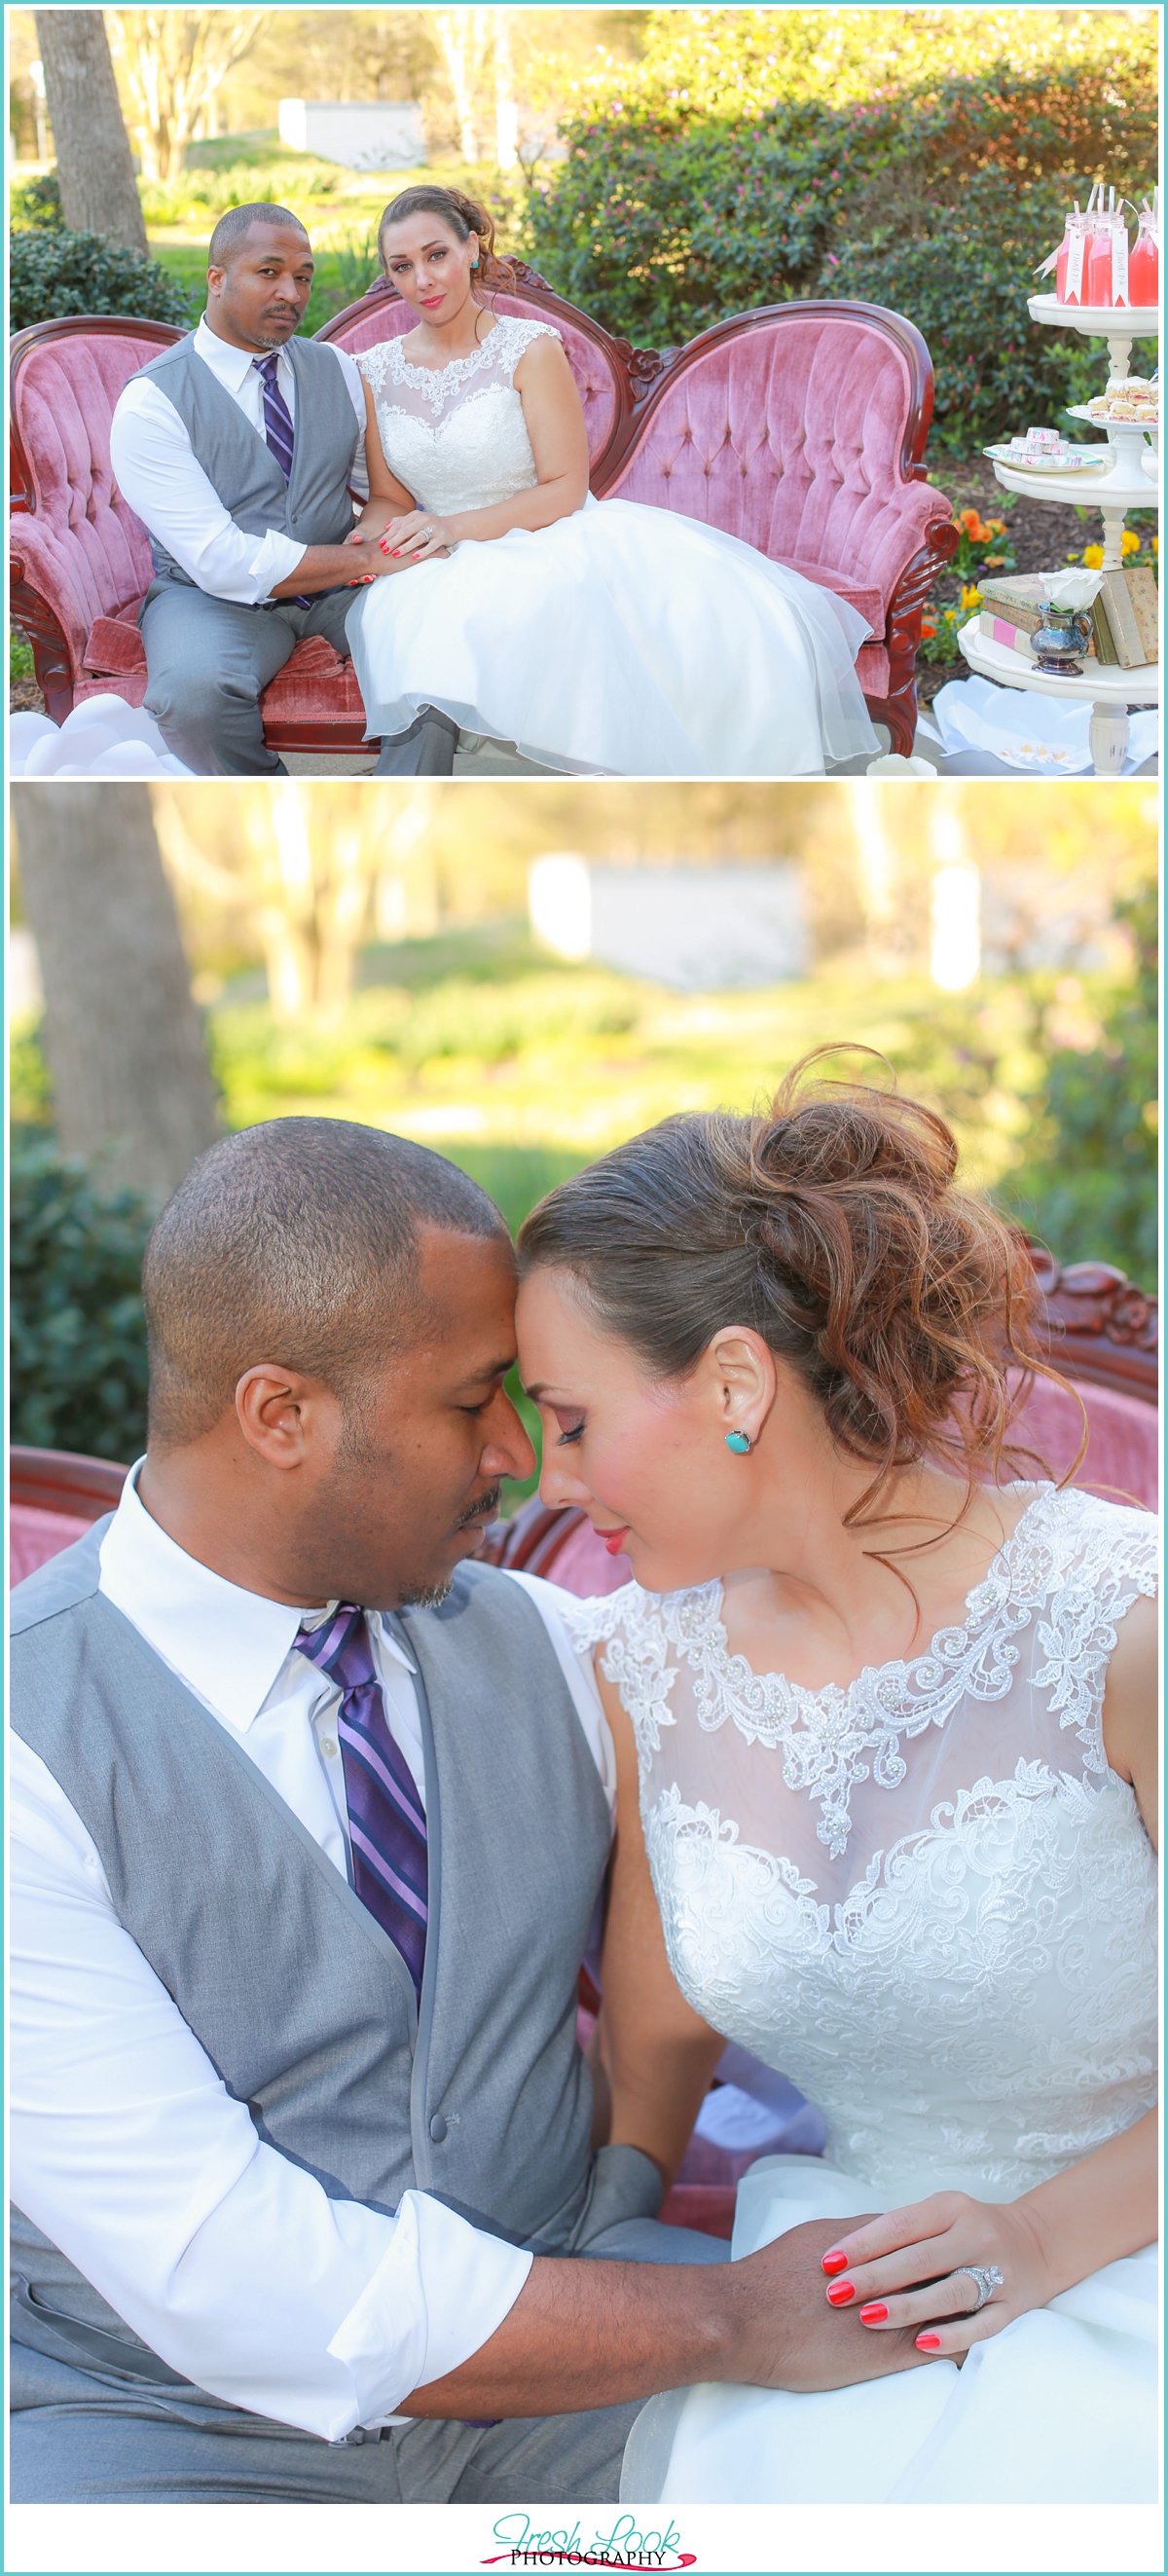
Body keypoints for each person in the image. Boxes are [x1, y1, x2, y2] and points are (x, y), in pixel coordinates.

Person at [9, 1118, 927, 2509]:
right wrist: (741, 2314)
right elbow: (226, 2274)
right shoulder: (26, 1749)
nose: (514, 1451)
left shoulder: (557, 1645)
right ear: (280, 1415)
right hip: (165, 2438)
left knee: (963, 2475)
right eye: (470, 1399)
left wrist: (624, 2188)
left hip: (592, 2381)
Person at [515, 1058, 1158, 2504]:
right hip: (846, 2285)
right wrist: (600, 2267)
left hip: (1130, 2251)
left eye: (570, 1416)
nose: (549, 1481)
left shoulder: (1127, 1627)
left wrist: (1041, 2241)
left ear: (734, 1382)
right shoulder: (646, 1664)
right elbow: (660, 2031)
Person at [345, 186, 879, 778]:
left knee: (529, 611)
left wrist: (450, 527)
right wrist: (370, 538)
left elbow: (565, 488)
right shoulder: (374, 369)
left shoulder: (528, 349)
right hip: (438, 555)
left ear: (472, 250)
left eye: (436, 254)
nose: (423, 278)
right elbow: (389, 496)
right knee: (413, 614)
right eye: (402, 266)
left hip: (544, 535)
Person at [108, 202, 457, 777]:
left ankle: (403, 812)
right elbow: (220, 562)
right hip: (212, 599)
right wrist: (361, 558)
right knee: (191, 697)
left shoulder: (337, 369)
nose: (291, 293)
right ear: (217, 280)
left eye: (303, 276)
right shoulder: (152, 404)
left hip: (342, 590)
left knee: (436, 639)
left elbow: (381, 490)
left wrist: (384, 541)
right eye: (269, 273)